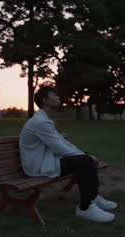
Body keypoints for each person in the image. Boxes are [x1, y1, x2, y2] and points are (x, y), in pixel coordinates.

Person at [19, 85, 118, 222]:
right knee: (85, 161)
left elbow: (64, 145)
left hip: (46, 160)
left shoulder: (45, 120)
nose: (59, 97)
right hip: (38, 166)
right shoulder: (40, 122)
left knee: (86, 158)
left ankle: (93, 197)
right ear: (45, 100)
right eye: (54, 95)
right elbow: (60, 149)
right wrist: (86, 157)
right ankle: (85, 208)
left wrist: (84, 154)